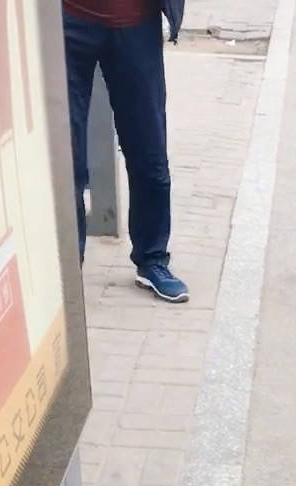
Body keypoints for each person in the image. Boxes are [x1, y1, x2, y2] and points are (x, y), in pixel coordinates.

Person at [62, 0, 189, 302]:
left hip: (136, 23)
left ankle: (152, 259)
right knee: (66, 157)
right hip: (67, 21)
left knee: (149, 148)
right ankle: (67, 271)